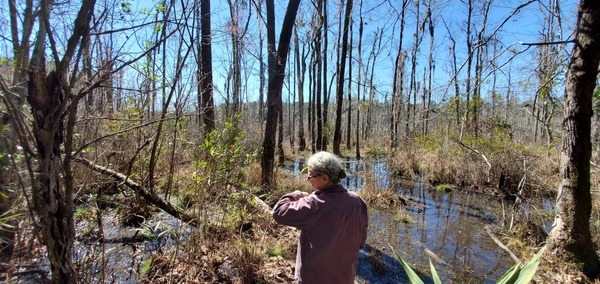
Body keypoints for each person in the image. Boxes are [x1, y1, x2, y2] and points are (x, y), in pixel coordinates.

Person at [272, 151, 368, 284]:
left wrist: (298, 194)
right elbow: (361, 240)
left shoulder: (314, 204)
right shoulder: (358, 201)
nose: (307, 179)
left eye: (311, 175)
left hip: (313, 278)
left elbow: (278, 212)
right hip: (345, 278)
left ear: (325, 178)